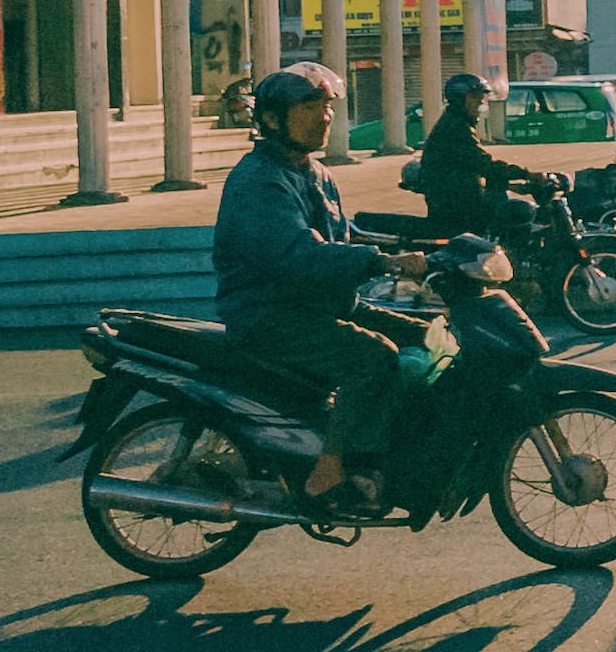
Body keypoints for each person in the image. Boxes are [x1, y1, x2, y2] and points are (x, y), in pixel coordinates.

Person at [213, 66, 426, 511]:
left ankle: (383, 457)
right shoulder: (260, 181)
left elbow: (340, 237)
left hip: (319, 305)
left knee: (426, 337)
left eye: (328, 106)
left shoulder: (314, 172)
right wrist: (379, 262)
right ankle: (329, 474)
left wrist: (415, 248)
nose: (325, 116)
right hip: (270, 314)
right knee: (375, 358)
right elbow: (296, 256)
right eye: (310, 107)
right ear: (272, 120)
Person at [419, 72, 527, 239]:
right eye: (475, 97)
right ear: (459, 99)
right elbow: (483, 164)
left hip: (460, 197)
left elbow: (469, 167)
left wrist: (510, 185)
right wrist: (528, 175)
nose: (480, 102)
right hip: (456, 205)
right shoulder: (455, 128)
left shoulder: (458, 122)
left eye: (481, 97)